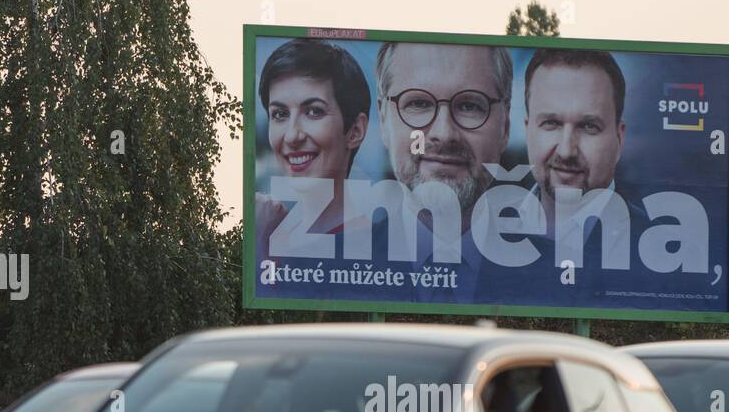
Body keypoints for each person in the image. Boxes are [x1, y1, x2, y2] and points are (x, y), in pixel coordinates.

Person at [370, 42, 513, 301]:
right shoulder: (319, 274)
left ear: (505, 126)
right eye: (419, 103)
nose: (444, 134)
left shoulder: (562, 278)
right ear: (382, 119)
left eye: (469, 106)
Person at [520, 48, 647, 296]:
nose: (567, 151)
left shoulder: (656, 245)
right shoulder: (483, 233)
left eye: (589, 126)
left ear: (619, 139)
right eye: (551, 124)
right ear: (527, 131)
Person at [255, 39, 370, 260]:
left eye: (314, 112)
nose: (292, 136)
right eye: (280, 114)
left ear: (355, 130)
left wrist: (261, 246)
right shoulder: (277, 230)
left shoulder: (365, 252)